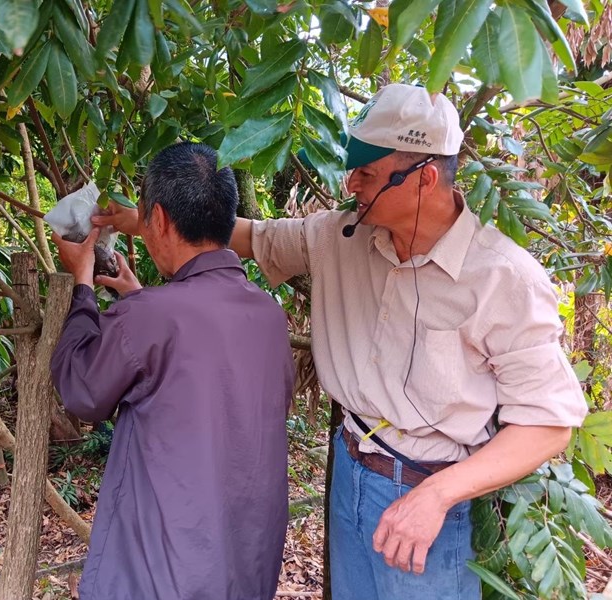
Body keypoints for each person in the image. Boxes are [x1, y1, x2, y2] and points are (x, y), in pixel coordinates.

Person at [95, 84, 588, 599]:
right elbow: (251, 236)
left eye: (368, 174)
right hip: (351, 469)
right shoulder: (341, 237)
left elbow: (548, 423)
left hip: (428, 495)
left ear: (423, 179)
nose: (351, 184)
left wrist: (438, 495)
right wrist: (147, 220)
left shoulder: (503, 278)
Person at [50, 142, 295, 600]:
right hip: (246, 559)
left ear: (158, 219)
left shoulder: (152, 316)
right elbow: (200, 359)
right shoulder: (267, 313)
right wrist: (138, 298)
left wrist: (82, 284)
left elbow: (81, 391)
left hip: (164, 570)